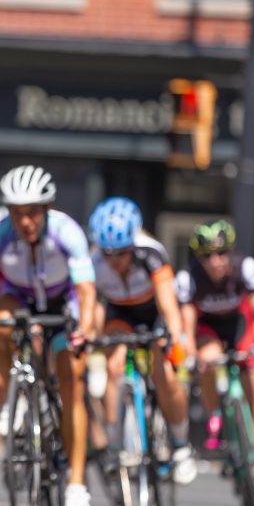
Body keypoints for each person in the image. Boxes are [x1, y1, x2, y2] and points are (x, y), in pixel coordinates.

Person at [0, 165, 97, 506]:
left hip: (61, 303)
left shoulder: (68, 232)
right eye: (18, 213)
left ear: (47, 209)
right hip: (18, 299)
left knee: (72, 379)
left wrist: (84, 328)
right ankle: (14, 395)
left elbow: (86, 291)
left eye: (33, 212)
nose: (25, 222)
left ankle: (77, 485)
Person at [87, 197, 196, 485]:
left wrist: (173, 338)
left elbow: (169, 306)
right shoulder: (95, 262)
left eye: (120, 254)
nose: (113, 261)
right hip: (120, 314)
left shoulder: (151, 254)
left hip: (153, 313)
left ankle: (181, 445)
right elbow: (95, 307)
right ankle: (113, 445)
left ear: (132, 246)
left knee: (165, 374)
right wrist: (91, 337)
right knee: (114, 366)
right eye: (107, 254)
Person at [176, 219, 254, 506]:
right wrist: (190, 355)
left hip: (239, 326)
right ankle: (214, 415)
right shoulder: (189, 277)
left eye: (222, 253)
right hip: (208, 330)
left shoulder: (244, 267)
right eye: (208, 255)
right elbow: (186, 324)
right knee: (208, 359)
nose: (216, 261)